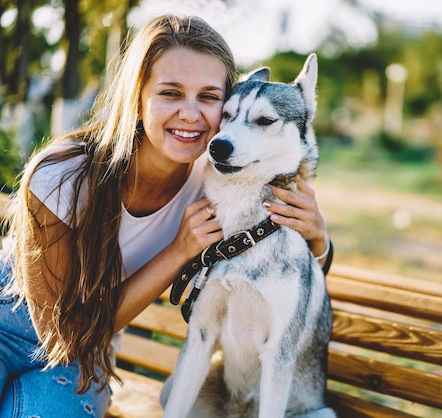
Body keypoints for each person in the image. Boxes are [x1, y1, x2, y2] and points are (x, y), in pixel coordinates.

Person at [0, 14, 332, 417]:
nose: (191, 114)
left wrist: (317, 237)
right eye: (171, 93)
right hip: (14, 320)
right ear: (138, 97)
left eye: (209, 97)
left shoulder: (218, 178)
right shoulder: (62, 174)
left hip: (85, 355)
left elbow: (287, 276)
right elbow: (62, 335)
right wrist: (178, 251)